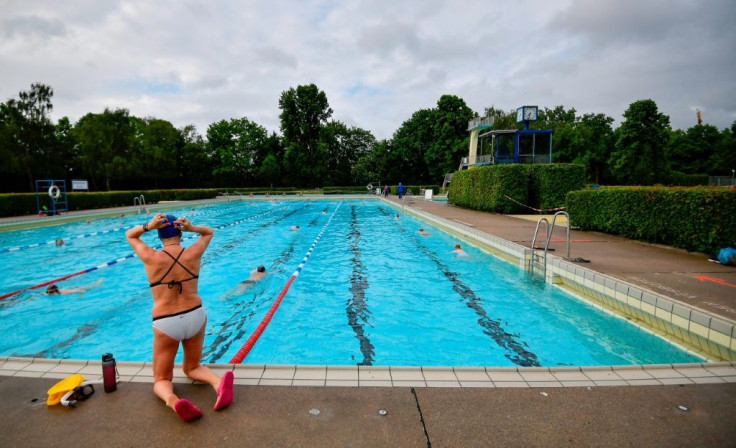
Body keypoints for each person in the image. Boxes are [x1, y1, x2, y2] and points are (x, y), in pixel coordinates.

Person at [125, 213, 233, 422]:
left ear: (159, 234)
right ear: (179, 232)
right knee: (192, 367)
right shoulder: (193, 253)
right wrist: (191, 227)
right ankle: (218, 383)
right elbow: (209, 231)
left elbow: (130, 236)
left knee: (162, 378)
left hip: (167, 322)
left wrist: (147, 226)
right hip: (196, 315)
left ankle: (174, 401)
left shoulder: (151, 257)